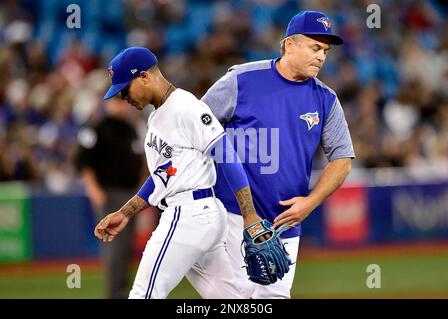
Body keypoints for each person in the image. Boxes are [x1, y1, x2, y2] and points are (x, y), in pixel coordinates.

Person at [201, 10, 355, 299]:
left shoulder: (325, 99)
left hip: (285, 222)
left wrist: (311, 202)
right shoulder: (241, 80)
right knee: (236, 299)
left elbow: (343, 160)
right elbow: (195, 128)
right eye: (314, 47)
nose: (321, 56)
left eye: (325, 50)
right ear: (289, 45)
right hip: (232, 215)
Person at [94, 46, 263, 299]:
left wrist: (249, 215)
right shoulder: (157, 117)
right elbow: (162, 177)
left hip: (188, 214)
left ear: (144, 76)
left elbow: (227, 156)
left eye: (124, 89)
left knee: (143, 294)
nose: (122, 98)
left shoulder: (185, 107)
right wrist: (125, 212)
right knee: (231, 298)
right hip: (197, 214)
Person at [74, 97, 143, 299]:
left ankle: (122, 292)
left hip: (130, 195)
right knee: (115, 247)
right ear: (107, 103)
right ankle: (115, 294)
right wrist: (93, 189)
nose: (120, 105)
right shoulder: (95, 128)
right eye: (116, 101)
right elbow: (82, 161)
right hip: (109, 193)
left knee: (127, 248)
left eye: (122, 101)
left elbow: (139, 163)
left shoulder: (130, 129)